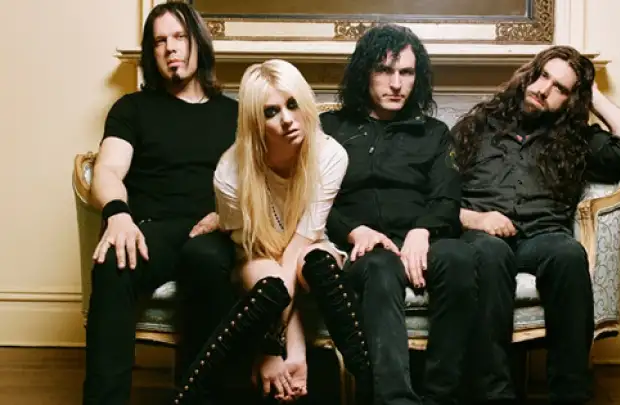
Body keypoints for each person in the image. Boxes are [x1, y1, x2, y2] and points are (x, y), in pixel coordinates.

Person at [81, 4, 290, 405]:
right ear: (151, 52)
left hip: (212, 230)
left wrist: (227, 217)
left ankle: (197, 395)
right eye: (160, 41)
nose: (170, 48)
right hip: (150, 229)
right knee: (112, 263)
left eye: (179, 37)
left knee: (206, 262)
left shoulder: (235, 114)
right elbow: (107, 169)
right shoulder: (132, 109)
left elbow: (261, 185)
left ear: (198, 43)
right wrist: (118, 215)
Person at [451, 45, 620, 405]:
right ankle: (495, 394)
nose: (544, 89)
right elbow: (436, 189)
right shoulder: (479, 124)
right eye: (543, 76)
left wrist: (594, 96)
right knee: (489, 255)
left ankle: (570, 393)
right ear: (530, 75)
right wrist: (475, 219)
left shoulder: (577, 138)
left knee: (568, 255)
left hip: (542, 237)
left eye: (560, 88)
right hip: (482, 232)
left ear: (572, 99)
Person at [173, 59, 374, 404]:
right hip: (257, 254)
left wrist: (286, 348)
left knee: (319, 265)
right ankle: (190, 395)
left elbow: (299, 246)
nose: (287, 119)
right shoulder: (230, 173)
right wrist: (279, 348)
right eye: (271, 111)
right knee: (270, 286)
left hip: (306, 248)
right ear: (255, 121)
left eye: (293, 104)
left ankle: (371, 383)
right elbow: (262, 258)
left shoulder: (330, 155)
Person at [319, 24, 478, 405]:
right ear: (365, 73)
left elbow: (447, 197)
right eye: (384, 71)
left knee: (459, 258)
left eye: (406, 73)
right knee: (380, 267)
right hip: (363, 247)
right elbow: (311, 200)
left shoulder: (434, 133)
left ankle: (441, 396)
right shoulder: (329, 130)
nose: (396, 84)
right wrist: (353, 230)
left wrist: (423, 231)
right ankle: (394, 399)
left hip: (423, 240)